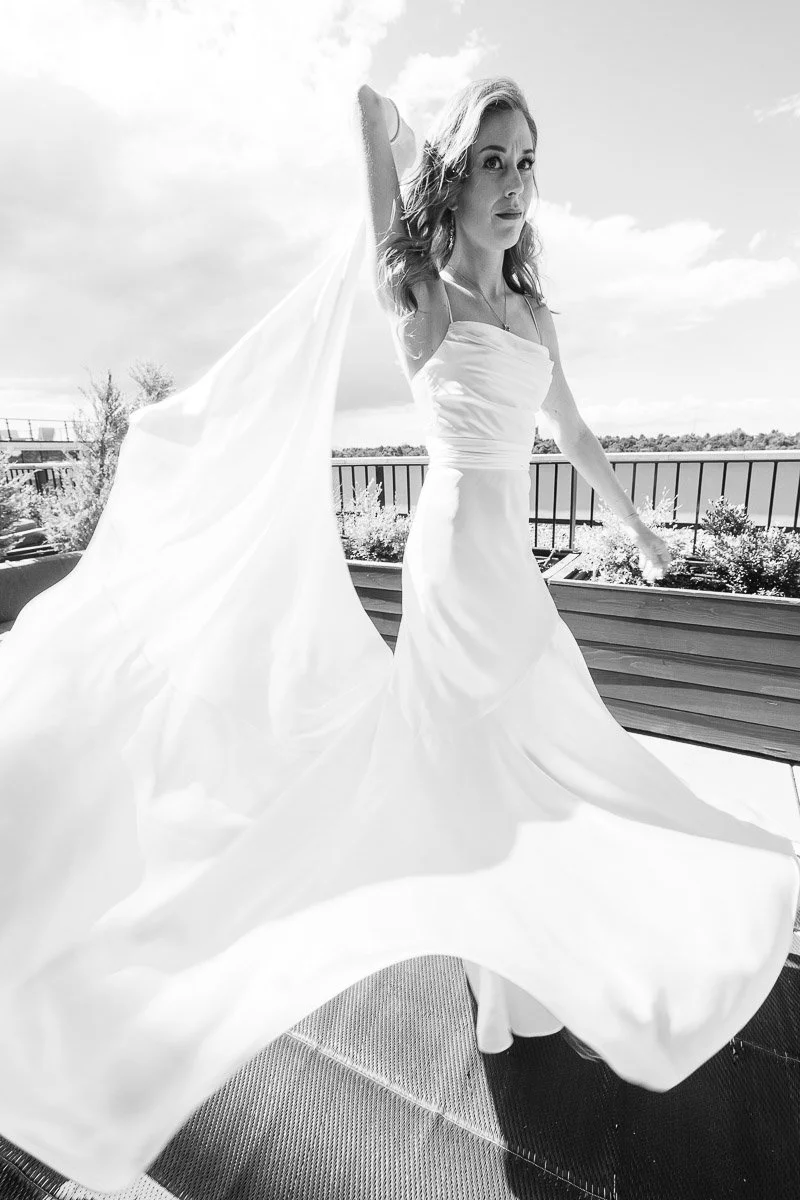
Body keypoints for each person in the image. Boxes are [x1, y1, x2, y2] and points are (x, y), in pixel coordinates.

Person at [0, 75, 797, 1192]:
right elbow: (370, 111)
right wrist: (422, 145)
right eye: (493, 162)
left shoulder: (529, 314)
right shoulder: (415, 289)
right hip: (446, 569)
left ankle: (531, 965)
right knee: (474, 770)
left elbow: (567, 427)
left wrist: (638, 531)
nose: (516, 185)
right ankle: (503, 974)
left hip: (507, 568)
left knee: (559, 752)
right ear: (458, 177)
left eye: (526, 163)